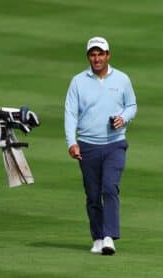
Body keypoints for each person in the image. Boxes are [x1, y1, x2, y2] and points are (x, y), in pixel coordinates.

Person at [64, 36, 137, 255]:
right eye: (93, 55)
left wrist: (123, 118)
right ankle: (97, 237)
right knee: (93, 194)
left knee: (109, 187)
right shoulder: (78, 81)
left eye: (100, 54)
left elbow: (132, 105)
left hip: (115, 144)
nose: (97, 59)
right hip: (88, 146)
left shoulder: (122, 79)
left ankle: (108, 237)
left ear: (108, 55)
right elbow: (70, 113)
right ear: (89, 57)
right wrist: (72, 142)